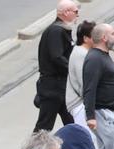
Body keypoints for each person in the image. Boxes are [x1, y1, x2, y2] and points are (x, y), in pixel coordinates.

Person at [33, 0, 79, 132]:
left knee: (73, 123)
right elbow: (57, 57)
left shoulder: (63, 30)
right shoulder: (56, 31)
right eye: (75, 12)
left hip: (62, 87)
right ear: (66, 13)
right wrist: (73, 70)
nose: (78, 15)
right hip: (53, 88)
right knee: (44, 127)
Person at [66, 21, 96, 129]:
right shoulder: (80, 54)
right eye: (94, 35)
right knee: (88, 136)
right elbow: (83, 83)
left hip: (84, 103)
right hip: (80, 104)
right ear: (86, 38)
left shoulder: (85, 52)